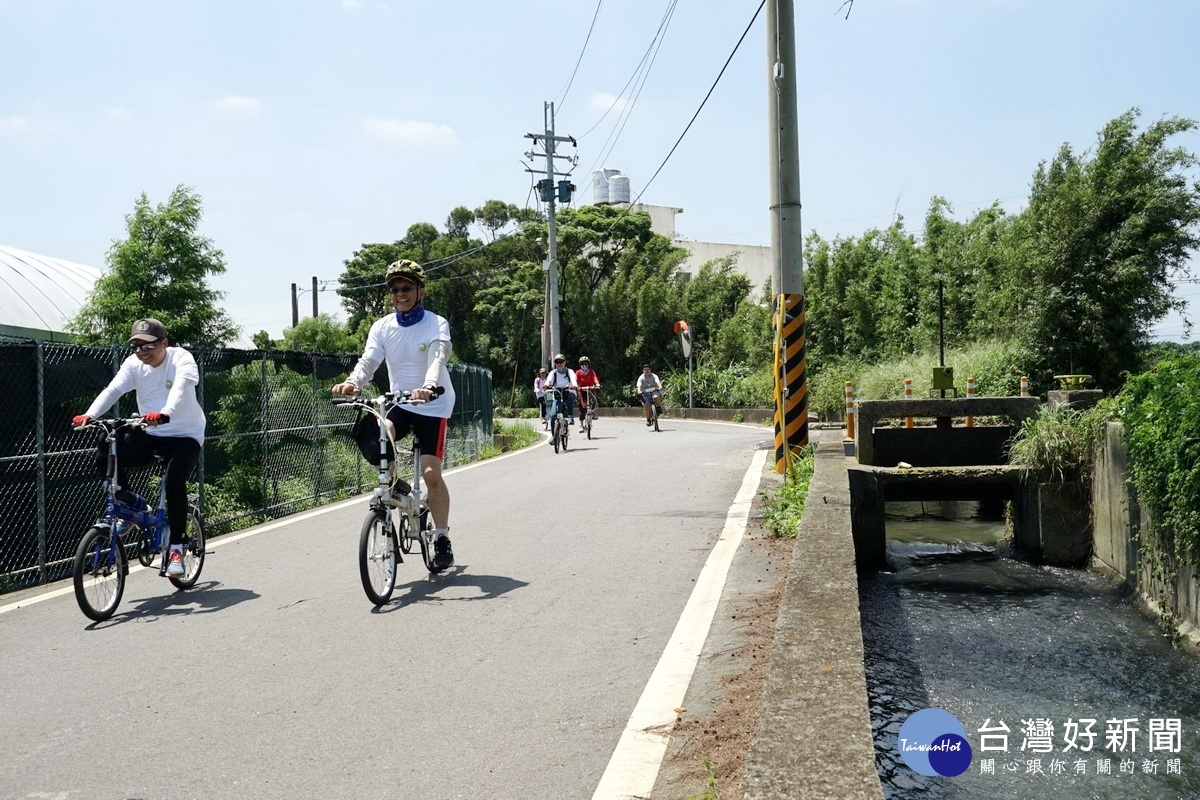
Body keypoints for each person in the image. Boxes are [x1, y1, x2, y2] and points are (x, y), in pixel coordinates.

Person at [332, 259, 457, 570]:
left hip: (433, 405)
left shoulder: (435, 323)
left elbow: (438, 356)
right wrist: (352, 382)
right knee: (371, 435)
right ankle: (397, 484)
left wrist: (428, 386)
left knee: (431, 475)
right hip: (399, 403)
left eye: (406, 287)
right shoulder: (382, 327)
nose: (400, 293)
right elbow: (369, 361)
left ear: (420, 291)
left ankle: (441, 536)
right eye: (394, 289)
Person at [71, 318, 205, 577]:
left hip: (184, 434)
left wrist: (166, 412)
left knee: (174, 482)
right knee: (106, 445)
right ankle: (131, 506)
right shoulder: (134, 364)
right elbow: (114, 390)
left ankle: (176, 547)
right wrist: (89, 415)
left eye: (148, 346)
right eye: (137, 347)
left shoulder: (181, 358)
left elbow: (181, 387)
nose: (142, 352)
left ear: (164, 343)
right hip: (150, 430)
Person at [542, 353, 578, 440]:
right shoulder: (553, 373)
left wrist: (574, 385)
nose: (559, 364)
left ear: (565, 362)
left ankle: (570, 417)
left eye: (561, 361)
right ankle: (554, 436)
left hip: (568, 392)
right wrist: (546, 385)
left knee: (569, 396)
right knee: (553, 415)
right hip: (557, 394)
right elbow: (548, 381)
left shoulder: (569, 371)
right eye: (557, 362)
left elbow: (573, 379)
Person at [574, 355, 601, 433]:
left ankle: (593, 412)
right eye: (582, 364)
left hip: (591, 389)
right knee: (582, 408)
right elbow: (575, 380)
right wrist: (575, 386)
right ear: (580, 365)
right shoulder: (578, 372)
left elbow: (595, 379)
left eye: (586, 364)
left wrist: (597, 384)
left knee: (594, 401)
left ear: (588, 364)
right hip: (582, 390)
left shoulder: (592, 372)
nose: (584, 366)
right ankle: (581, 425)